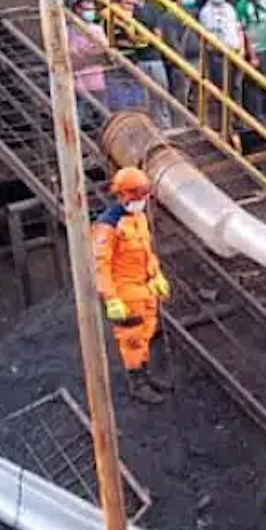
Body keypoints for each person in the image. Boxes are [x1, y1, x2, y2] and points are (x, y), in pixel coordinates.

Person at [94, 167, 172, 404]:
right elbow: (100, 266)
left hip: (144, 288)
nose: (143, 200)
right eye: (139, 195)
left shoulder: (138, 218)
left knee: (147, 332)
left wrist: (156, 275)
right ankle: (137, 383)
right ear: (124, 195)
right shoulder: (108, 226)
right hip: (125, 292)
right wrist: (110, 298)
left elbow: (147, 252)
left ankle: (146, 375)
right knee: (132, 338)